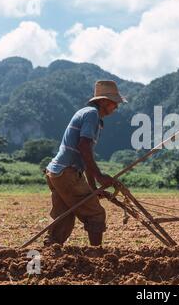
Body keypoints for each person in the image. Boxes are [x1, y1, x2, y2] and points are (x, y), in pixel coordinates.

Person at [43, 80, 127, 246]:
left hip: (56, 172)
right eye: (113, 103)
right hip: (67, 172)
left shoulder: (88, 114)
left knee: (64, 216)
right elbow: (84, 148)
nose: (115, 107)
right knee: (95, 214)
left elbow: (85, 156)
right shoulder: (91, 115)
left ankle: (50, 254)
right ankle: (96, 257)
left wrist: (94, 187)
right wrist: (100, 176)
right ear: (103, 101)